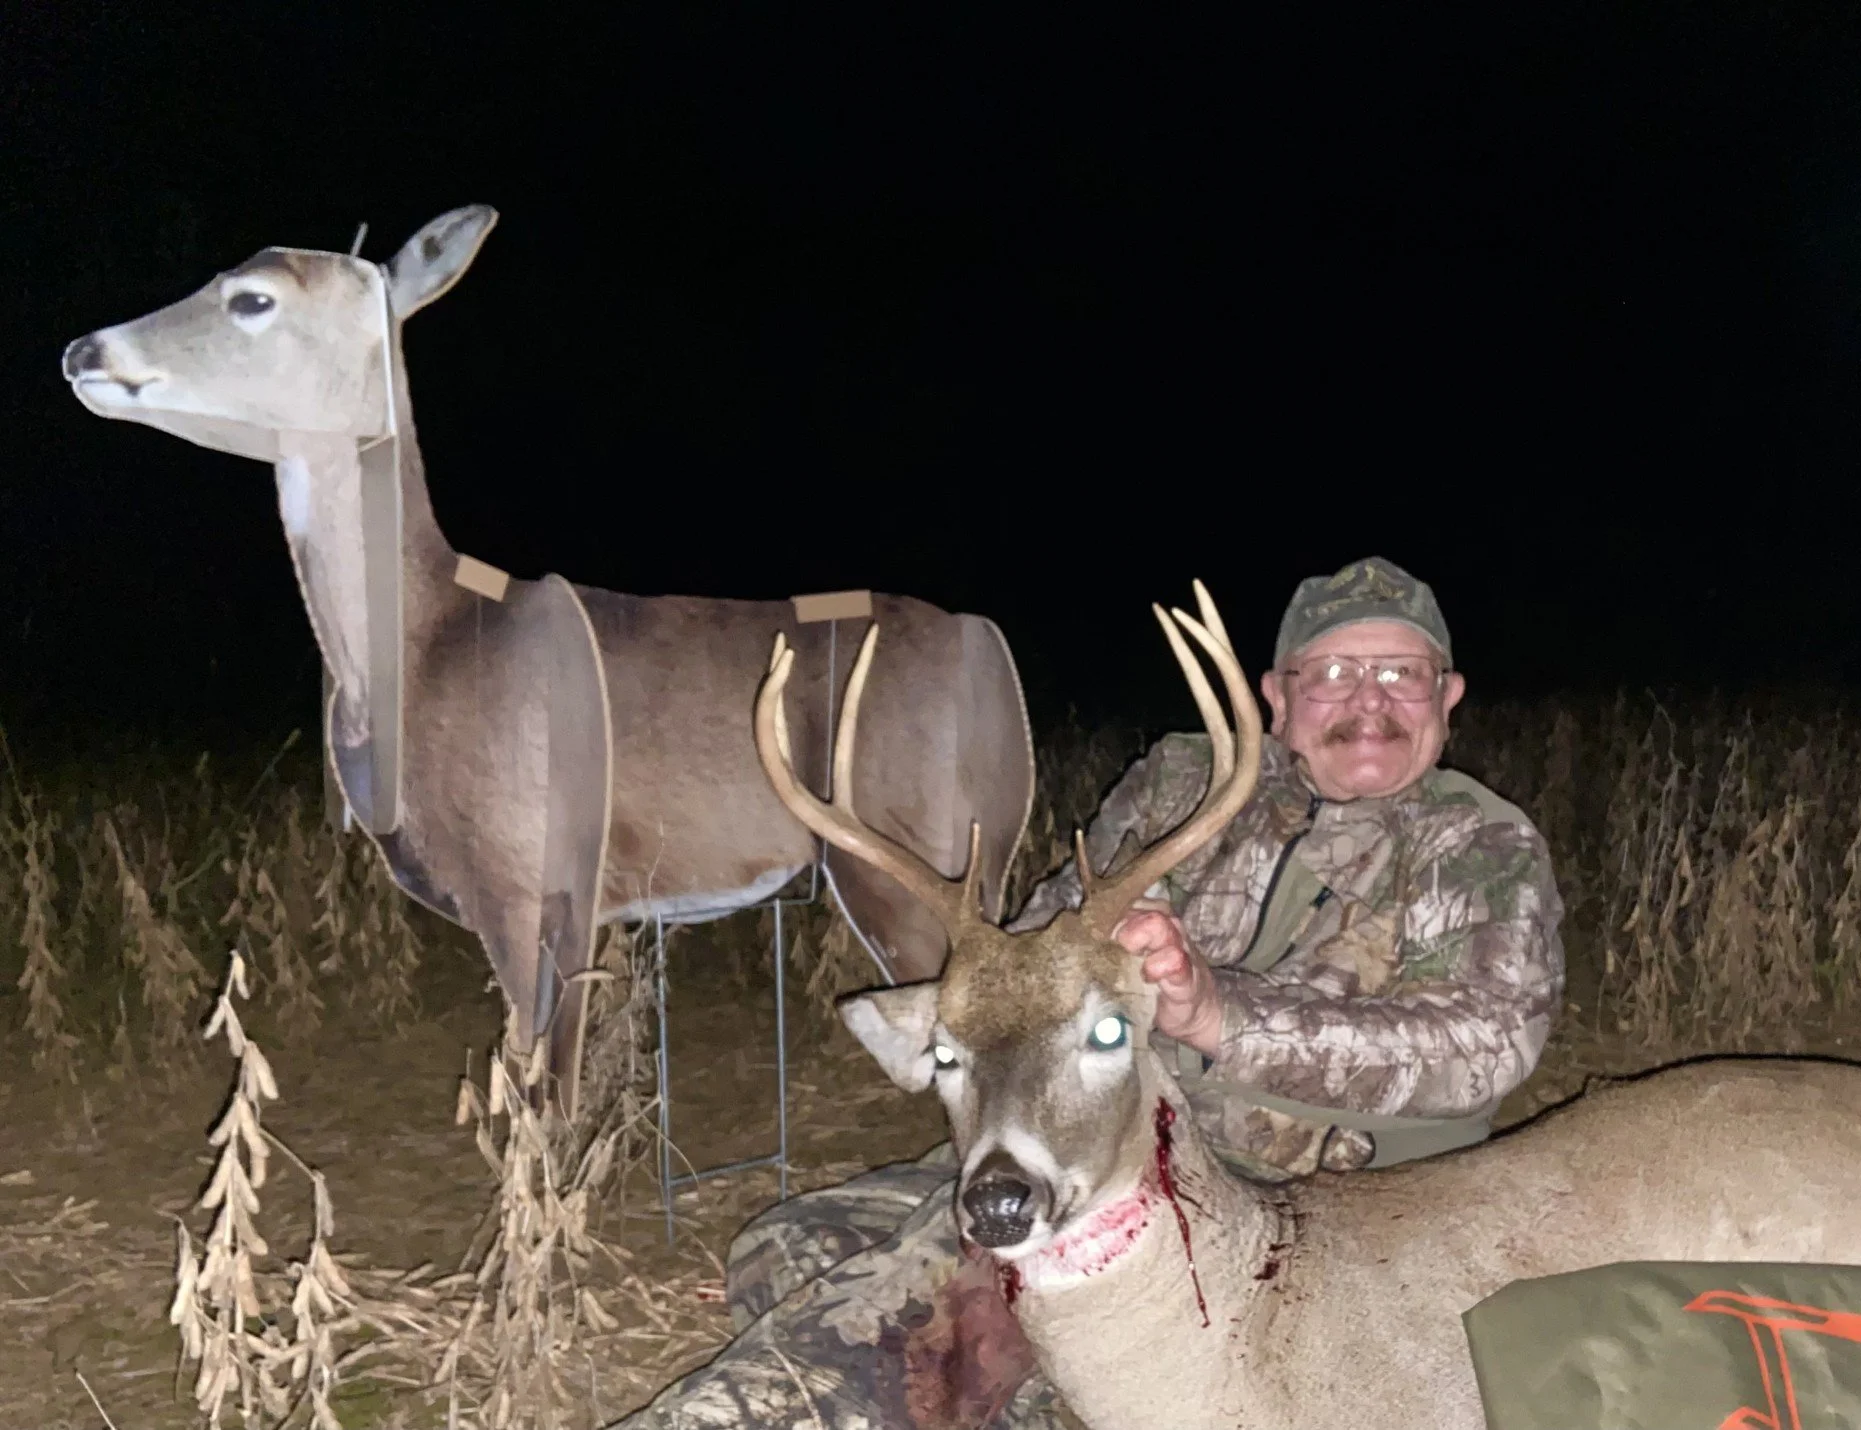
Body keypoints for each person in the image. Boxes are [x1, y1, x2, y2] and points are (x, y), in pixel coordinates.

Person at [623, 556, 1565, 1430]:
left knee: (862, 1353)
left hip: (1302, 1210)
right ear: (1277, 697)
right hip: (1096, 1147)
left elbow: (1484, 1049)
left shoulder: (1477, 844)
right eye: (1333, 674)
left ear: (1447, 696)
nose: (1369, 700)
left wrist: (1218, 1014)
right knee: (787, 1244)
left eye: (1401, 674)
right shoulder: (1181, 784)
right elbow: (1039, 947)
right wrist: (1048, 959)